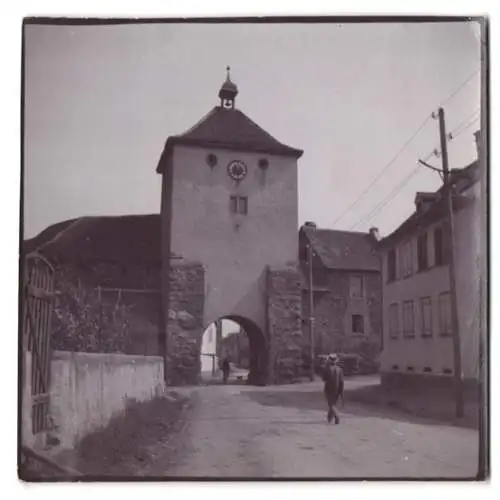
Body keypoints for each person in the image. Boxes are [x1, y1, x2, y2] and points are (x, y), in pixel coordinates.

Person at [322, 354, 344, 424]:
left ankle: (337, 416)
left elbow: (324, 379)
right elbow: (341, 381)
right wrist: (341, 391)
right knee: (333, 403)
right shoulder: (339, 369)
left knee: (331, 404)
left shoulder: (327, 369)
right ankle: (329, 418)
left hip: (329, 389)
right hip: (337, 389)